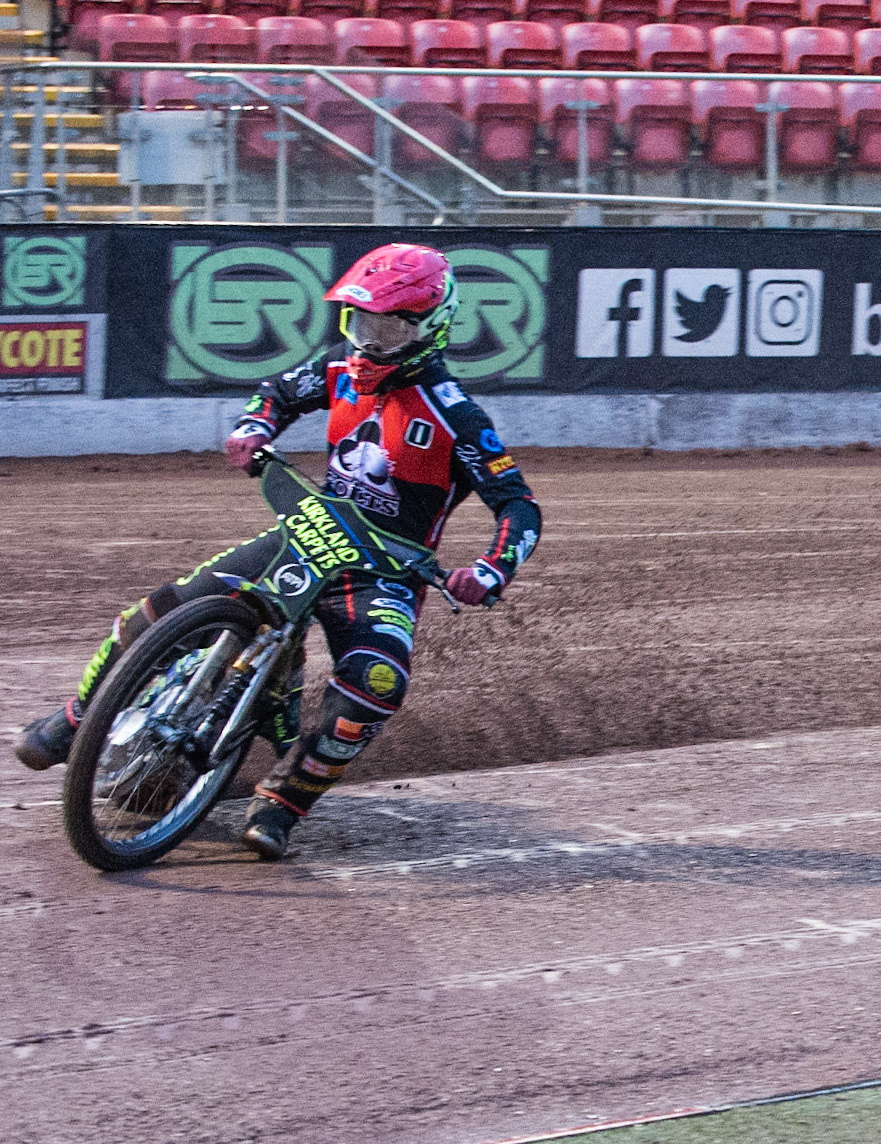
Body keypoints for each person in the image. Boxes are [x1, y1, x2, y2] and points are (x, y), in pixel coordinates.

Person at [14, 243, 543, 861]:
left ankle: (287, 799)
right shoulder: (341, 370)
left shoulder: (457, 416)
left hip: (381, 573)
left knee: (376, 684)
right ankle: (75, 720)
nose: (367, 343)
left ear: (430, 327)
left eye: (386, 327)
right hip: (309, 532)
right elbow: (277, 392)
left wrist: (489, 568)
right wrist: (254, 424)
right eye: (359, 323)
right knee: (157, 613)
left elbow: (519, 506)